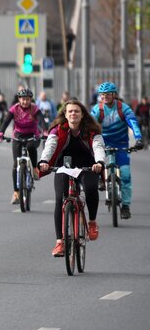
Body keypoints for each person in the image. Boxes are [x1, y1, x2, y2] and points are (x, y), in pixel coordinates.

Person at [39, 99, 106, 256]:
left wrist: (99, 162)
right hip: (64, 167)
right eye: (70, 111)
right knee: (59, 198)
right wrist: (43, 161)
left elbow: (98, 147)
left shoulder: (91, 130)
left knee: (90, 188)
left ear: (82, 115)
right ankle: (59, 243)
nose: (73, 114)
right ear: (65, 114)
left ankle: (92, 222)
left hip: (88, 166)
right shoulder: (58, 129)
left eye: (76, 111)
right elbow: (50, 146)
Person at [91, 81, 144, 219]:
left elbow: (133, 123)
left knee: (125, 175)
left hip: (121, 144)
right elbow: (90, 125)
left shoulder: (123, 108)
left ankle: (125, 206)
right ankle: (101, 178)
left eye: (108, 94)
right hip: (104, 143)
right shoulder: (98, 109)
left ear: (114, 94)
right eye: (102, 95)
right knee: (97, 162)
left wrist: (138, 138)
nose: (105, 97)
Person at [0, 88, 45, 204]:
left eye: (27, 99)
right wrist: (1, 132)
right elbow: (6, 121)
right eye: (23, 99)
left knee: (31, 147)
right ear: (19, 99)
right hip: (18, 135)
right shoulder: (14, 109)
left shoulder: (34, 109)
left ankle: (34, 168)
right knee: (15, 165)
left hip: (32, 134)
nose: (25, 102)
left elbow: (41, 120)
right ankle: (16, 192)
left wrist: (46, 131)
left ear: (30, 100)